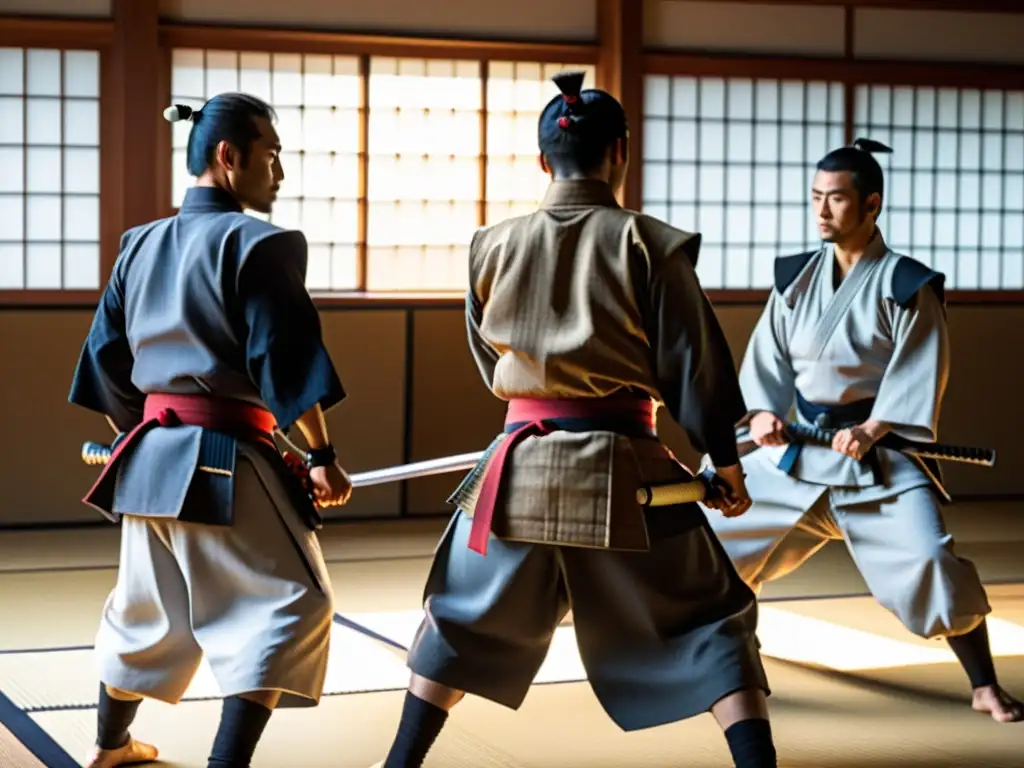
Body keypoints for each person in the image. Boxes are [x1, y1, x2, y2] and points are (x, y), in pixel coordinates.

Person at [373, 72, 778, 768]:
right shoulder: (651, 244)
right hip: (629, 469)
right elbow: (695, 367)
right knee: (713, 618)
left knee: (460, 619)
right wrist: (725, 466)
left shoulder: (489, 245)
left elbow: (486, 357)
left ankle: (399, 763)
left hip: (516, 468)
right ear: (619, 152)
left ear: (541, 161)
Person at [68, 92, 354, 768]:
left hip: (148, 463)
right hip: (227, 461)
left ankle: (109, 746)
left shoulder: (139, 244)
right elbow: (283, 359)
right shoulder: (260, 242)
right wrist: (321, 454)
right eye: (272, 156)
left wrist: (141, 438)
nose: (279, 173)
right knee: (287, 606)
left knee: (145, 610)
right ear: (230, 159)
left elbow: (107, 365)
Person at [704, 138, 1023, 724]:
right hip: (796, 453)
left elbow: (922, 369)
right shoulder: (796, 276)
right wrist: (763, 413)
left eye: (838, 200)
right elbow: (768, 361)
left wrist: (876, 426)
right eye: (815, 198)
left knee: (930, 562)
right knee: (708, 537)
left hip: (875, 458)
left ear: (872, 204)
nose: (822, 211)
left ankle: (982, 682)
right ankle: (735, 658)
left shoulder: (906, 284)